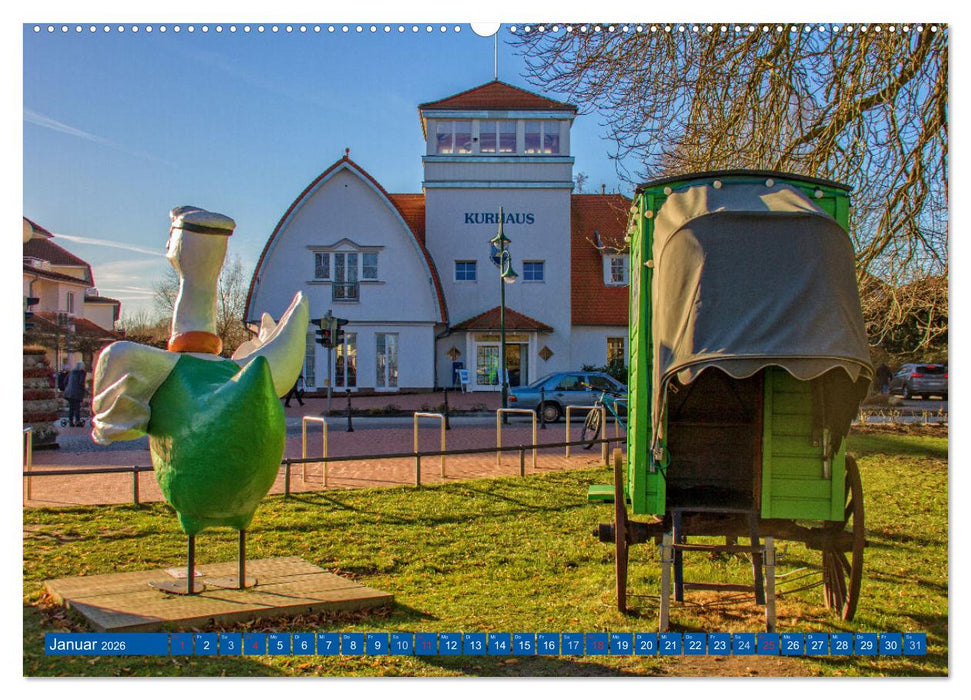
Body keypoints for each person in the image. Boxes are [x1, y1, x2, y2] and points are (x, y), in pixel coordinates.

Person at [64, 361, 87, 426]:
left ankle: (70, 421)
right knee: (77, 408)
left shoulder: (71, 372)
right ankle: (77, 421)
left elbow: (65, 381)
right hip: (77, 392)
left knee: (71, 407)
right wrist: (84, 390)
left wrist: (68, 387)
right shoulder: (82, 373)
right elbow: (81, 382)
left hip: (69, 392)